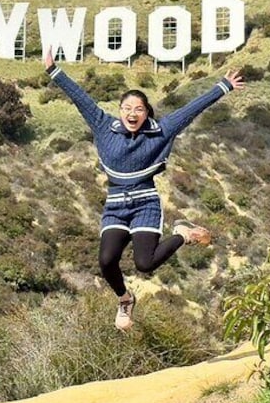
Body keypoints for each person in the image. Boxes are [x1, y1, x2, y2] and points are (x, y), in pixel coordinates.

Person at [44, 47, 245, 330]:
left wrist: (223, 86)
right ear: (120, 111)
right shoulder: (104, 126)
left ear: (146, 112)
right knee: (106, 261)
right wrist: (53, 70)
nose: (132, 113)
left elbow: (189, 110)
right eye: (127, 108)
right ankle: (125, 299)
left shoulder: (160, 131)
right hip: (115, 206)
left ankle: (182, 235)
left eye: (139, 109)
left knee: (145, 264)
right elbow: (81, 99)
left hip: (144, 205)